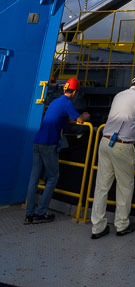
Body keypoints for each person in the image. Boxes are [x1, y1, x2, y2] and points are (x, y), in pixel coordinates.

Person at [90, 74, 135, 239]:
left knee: (101, 187)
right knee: (124, 187)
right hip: (123, 146)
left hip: (105, 142)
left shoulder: (119, 95)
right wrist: (134, 125)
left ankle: (97, 227)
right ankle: (122, 225)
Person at [25, 77, 89, 224]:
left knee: (34, 179)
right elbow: (79, 120)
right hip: (49, 144)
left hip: (37, 141)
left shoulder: (55, 101)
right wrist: (85, 116)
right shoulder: (67, 103)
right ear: (75, 92)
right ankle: (41, 213)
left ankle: (29, 214)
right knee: (53, 177)